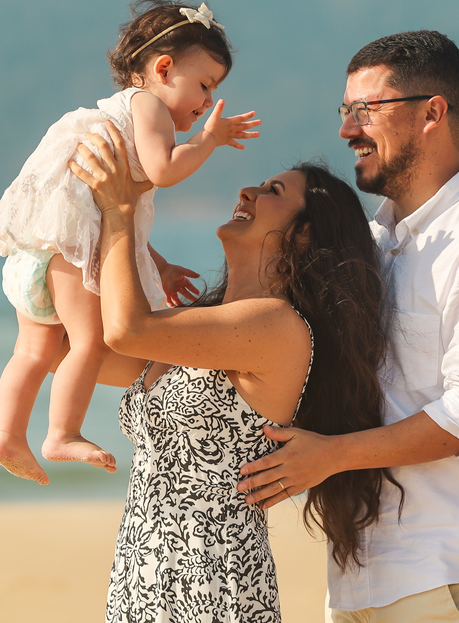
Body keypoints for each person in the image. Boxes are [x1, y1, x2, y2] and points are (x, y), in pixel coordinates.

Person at [238, 31, 459, 623]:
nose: (347, 130)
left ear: (432, 113)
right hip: (364, 572)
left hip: (453, 564)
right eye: (345, 110)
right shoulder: (375, 245)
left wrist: (330, 456)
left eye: (367, 110)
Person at [69, 121, 399, 623]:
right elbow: (84, 349)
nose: (247, 191)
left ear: (304, 232)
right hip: (143, 578)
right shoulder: (204, 323)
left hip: (215, 584)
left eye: (273, 192)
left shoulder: (277, 326)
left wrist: (121, 210)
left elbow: (126, 331)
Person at [0, 0, 260, 485]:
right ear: (163, 68)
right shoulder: (147, 105)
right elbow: (163, 171)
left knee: (32, 352)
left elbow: (106, 217)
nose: (207, 103)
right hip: (68, 254)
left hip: (38, 251)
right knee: (88, 342)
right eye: (204, 85)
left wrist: (161, 265)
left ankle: (8, 433)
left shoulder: (114, 115)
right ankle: (61, 433)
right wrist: (207, 141)